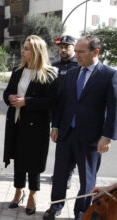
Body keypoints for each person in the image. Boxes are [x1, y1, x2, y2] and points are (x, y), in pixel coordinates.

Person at [44, 36, 117, 220]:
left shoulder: (109, 74)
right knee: (59, 175)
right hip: (66, 134)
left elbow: (114, 108)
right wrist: (56, 126)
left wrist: (107, 136)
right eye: (75, 51)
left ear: (95, 52)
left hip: (92, 138)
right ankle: (55, 206)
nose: (75, 55)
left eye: (80, 52)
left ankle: (81, 212)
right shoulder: (72, 73)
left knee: (87, 181)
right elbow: (63, 103)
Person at [3, 35, 58, 215]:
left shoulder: (49, 74)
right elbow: (8, 92)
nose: (22, 51)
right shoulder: (18, 70)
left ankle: (33, 195)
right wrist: (9, 97)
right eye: (23, 47)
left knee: (33, 162)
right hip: (16, 123)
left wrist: (27, 102)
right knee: (18, 160)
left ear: (35, 52)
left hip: (36, 127)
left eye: (26, 48)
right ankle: (18, 191)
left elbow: (51, 101)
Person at [51, 35, 78, 189]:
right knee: (60, 145)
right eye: (61, 47)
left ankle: (67, 174)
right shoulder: (54, 66)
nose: (63, 49)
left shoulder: (78, 65)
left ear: (73, 48)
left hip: (73, 114)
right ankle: (60, 172)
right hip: (57, 113)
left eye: (67, 47)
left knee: (72, 145)